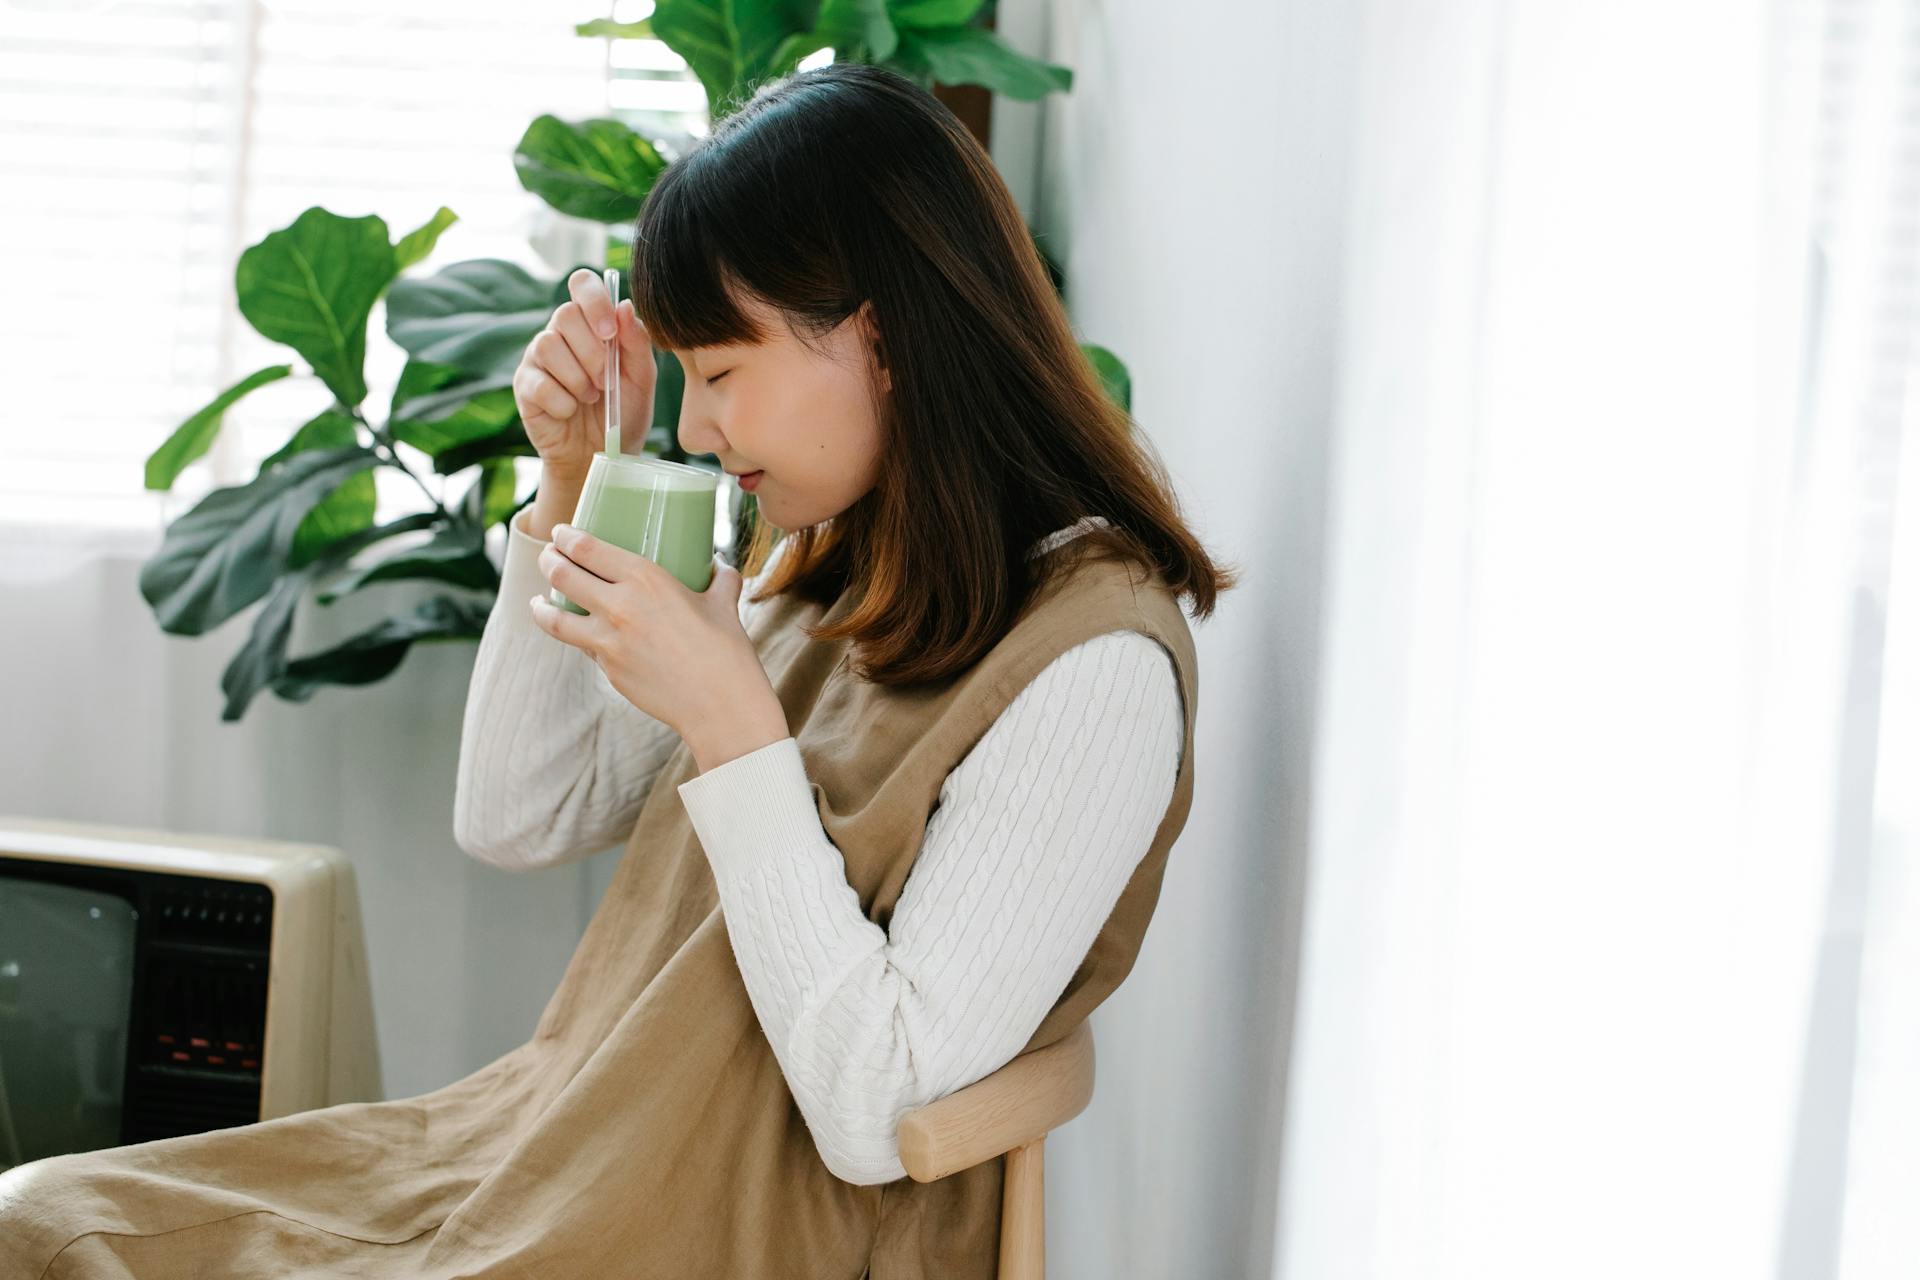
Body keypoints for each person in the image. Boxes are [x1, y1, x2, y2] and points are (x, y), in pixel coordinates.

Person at [0, 62, 1235, 1279]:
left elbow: (874, 1113)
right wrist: (572, 479)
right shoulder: (822, 558)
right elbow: (517, 813)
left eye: (722, 372)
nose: (695, 431)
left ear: (879, 337)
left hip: (722, 1228)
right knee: (42, 1216)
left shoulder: (1095, 667)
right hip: (547, 1149)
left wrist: (738, 734)